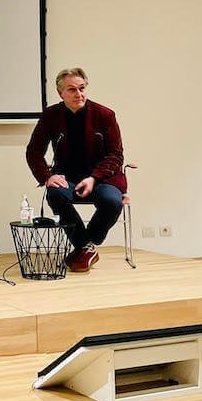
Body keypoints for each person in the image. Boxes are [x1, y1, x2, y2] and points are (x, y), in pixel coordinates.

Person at [25, 67, 126, 273]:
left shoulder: (105, 115)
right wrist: (47, 176)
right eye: (71, 89)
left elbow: (115, 154)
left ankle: (86, 245)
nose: (78, 94)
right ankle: (86, 247)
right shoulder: (50, 116)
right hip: (68, 176)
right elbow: (33, 152)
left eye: (82, 88)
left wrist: (94, 178)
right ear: (60, 93)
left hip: (102, 177)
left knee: (112, 202)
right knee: (55, 195)